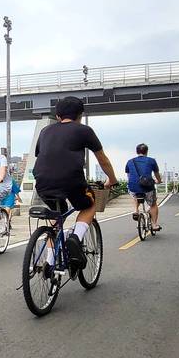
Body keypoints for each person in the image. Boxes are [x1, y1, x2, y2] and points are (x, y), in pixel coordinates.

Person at [33, 96, 118, 276]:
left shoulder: (45, 132)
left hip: (42, 182)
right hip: (71, 181)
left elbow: (42, 155)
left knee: (57, 217)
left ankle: (49, 261)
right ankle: (75, 238)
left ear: (58, 116)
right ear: (80, 115)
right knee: (90, 204)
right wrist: (111, 179)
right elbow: (102, 159)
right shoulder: (84, 130)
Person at [126, 143, 162, 231]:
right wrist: (159, 181)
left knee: (135, 194)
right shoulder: (151, 161)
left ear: (136, 151)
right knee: (153, 205)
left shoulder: (130, 161)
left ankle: (136, 210)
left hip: (133, 186)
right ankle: (154, 225)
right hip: (147, 187)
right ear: (147, 151)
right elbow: (157, 174)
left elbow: (129, 175)